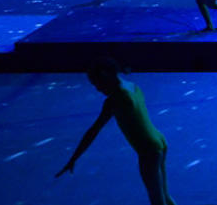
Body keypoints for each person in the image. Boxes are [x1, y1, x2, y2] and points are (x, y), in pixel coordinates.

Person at [57, 58, 177, 205]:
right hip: (159, 141)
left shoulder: (115, 100)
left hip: (148, 149)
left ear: (105, 75)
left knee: (157, 200)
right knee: (164, 195)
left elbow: (94, 130)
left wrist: (73, 158)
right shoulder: (133, 86)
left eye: (96, 83)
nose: (97, 89)